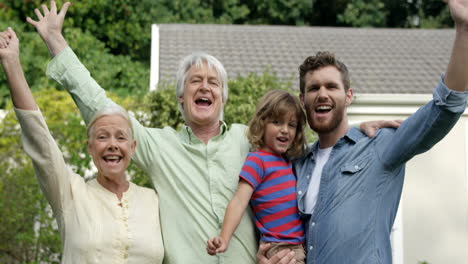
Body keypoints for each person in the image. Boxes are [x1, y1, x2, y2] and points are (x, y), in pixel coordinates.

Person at [28, 2, 396, 263]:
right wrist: (55, 41)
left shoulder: (249, 141)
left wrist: (356, 132)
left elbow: (309, 155)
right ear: (180, 97)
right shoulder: (159, 146)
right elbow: (100, 106)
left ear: (223, 96)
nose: (204, 87)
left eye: (213, 82)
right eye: (194, 82)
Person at [259, 0, 468, 263]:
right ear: (303, 100)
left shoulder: (382, 145)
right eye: (314, 89)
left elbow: (444, 110)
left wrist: (463, 30)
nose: (322, 94)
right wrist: (268, 253)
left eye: (331, 86)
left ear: (348, 96)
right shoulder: (297, 165)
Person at [0, 27, 164, 263]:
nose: (112, 145)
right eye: (102, 137)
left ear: (133, 147)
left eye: (120, 137)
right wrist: (12, 63)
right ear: (90, 147)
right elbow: (39, 138)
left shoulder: (153, 201)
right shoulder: (70, 194)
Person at [207, 90, 306, 263]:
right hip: (278, 248)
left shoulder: (289, 162)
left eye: (291, 125)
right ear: (262, 124)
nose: (284, 130)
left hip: (299, 247)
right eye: (277, 122)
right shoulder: (257, 161)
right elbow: (238, 201)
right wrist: (224, 238)